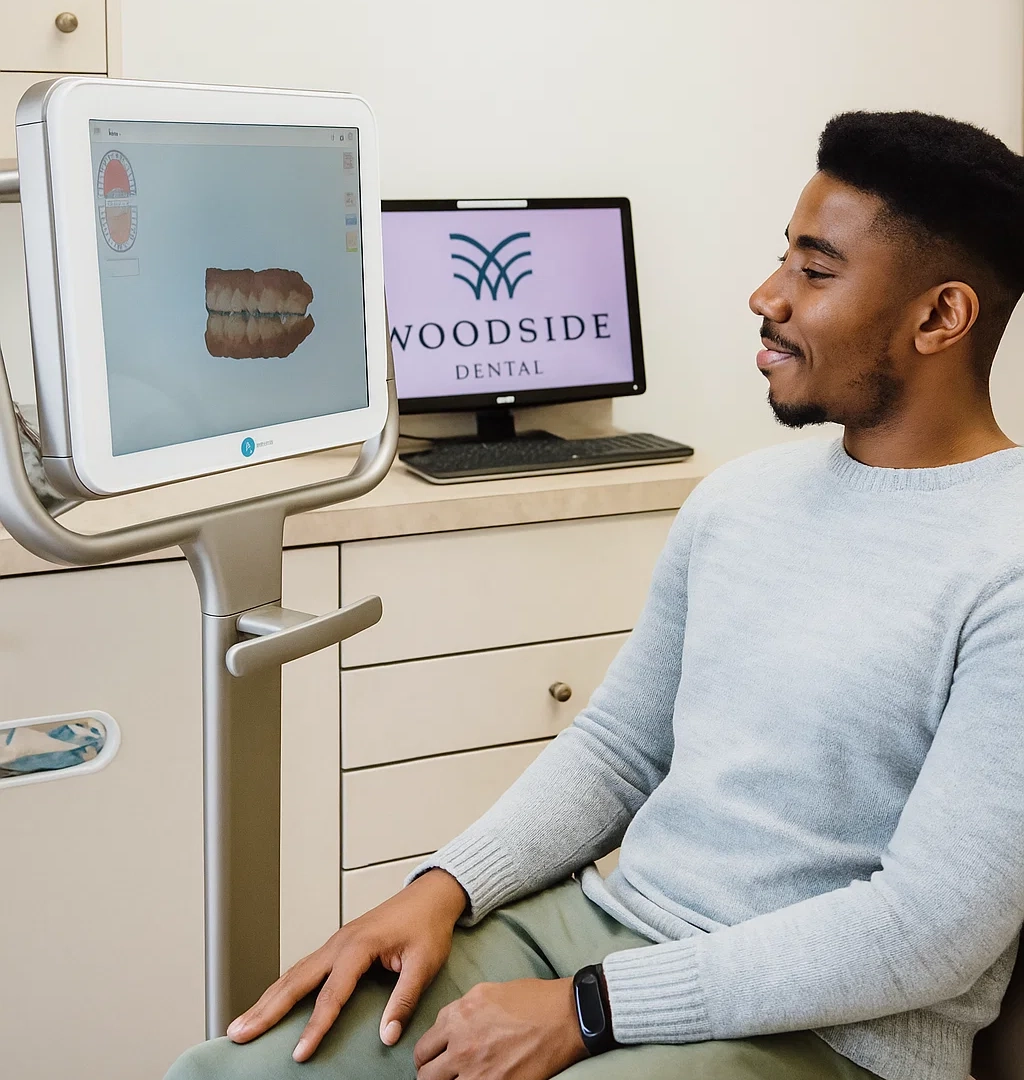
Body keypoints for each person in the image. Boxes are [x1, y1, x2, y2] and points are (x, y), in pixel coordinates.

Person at [166, 110, 1024, 1080]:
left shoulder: (1006, 563)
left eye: (815, 271)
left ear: (939, 318)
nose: (767, 295)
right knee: (237, 1070)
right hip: (603, 933)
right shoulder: (739, 500)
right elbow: (619, 750)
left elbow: (926, 932)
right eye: (782, 255)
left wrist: (591, 1011)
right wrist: (441, 887)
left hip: (828, 1033)